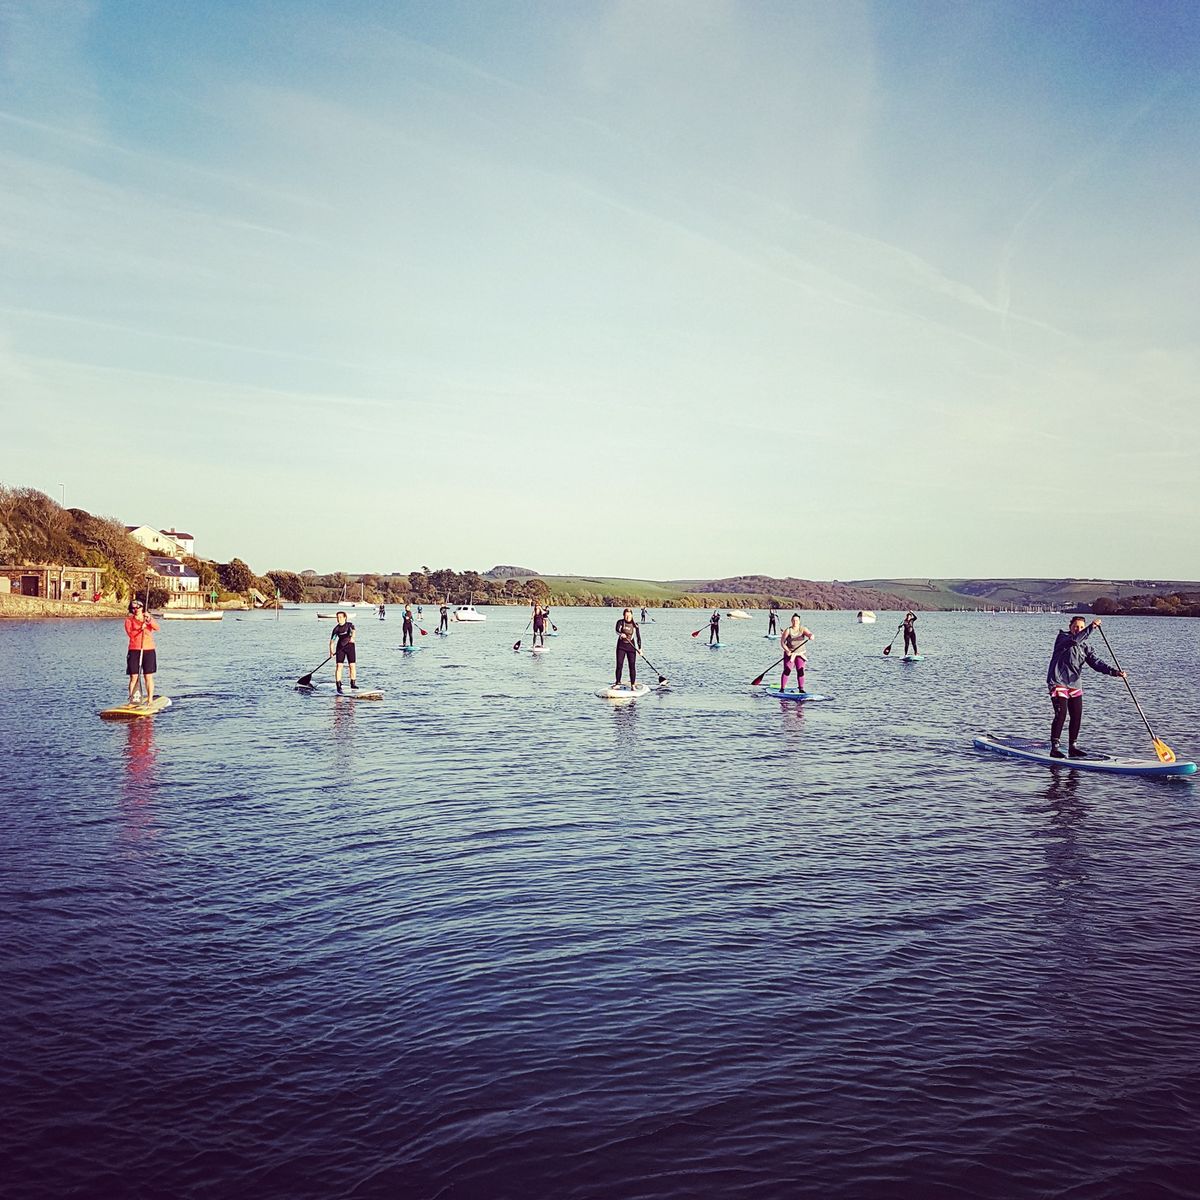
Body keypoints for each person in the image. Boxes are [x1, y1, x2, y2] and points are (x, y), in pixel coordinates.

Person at [1046, 616, 1125, 758]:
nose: (1078, 629)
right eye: (1076, 626)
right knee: (1062, 714)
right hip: (1058, 680)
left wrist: (1114, 672)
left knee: (1077, 716)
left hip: (1074, 683)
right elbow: (1075, 640)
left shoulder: (1085, 647)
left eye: (1081, 627)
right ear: (1070, 627)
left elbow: (1096, 663)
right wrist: (1091, 627)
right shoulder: (1063, 638)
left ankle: (1072, 747)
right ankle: (1055, 748)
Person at [124, 599, 159, 704]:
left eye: (137, 608)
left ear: (142, 608)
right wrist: (140, 628)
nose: (135, 610)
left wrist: (149, 621)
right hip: (134, 649)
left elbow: (157, 628)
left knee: (148, 676)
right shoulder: (128, 620)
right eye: (133, 608)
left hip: (148, 649)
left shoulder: (147, 617)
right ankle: (132, 699)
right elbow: (131, 634)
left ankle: (150, 700)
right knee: (133, 676)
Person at [779, 613, 814, 693]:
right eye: (794, 620)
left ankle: (801, 689)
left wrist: (811, 636)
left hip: (800, 654)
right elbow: (782, 642)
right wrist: (787, 650)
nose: (795, 622)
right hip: (790, 654)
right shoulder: (788, 630)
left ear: (799, 621)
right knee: (787, 670)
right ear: (791, 621)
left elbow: (809, 634)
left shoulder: (802, 629)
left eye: (797, 620)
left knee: (800, 671)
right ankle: (782, 689)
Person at [329, 610, 358, 692]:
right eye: (337, 617)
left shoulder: (349, 625)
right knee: (339, 666)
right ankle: (338, 684)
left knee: (352, 666)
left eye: (341, 617)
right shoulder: (336, 629)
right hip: (340, 648)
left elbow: (354, 631)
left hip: (350, 647)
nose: (339, 619)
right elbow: (332, 642)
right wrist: (331, 652)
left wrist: (352, 637)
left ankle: (353, 684)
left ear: (345, 618)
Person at [614, 608, 641, 688]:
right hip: (621, 646)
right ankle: (618, 683)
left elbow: (638, 637)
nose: (627, 617)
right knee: (619, 665)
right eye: (626, 616)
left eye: (629, 616)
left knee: (632, 666)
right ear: (623, 615)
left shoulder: (635, 625)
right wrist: (621, 633)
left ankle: (633, 684)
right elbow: (616, 630)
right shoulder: (620, 622)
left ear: (632, 615)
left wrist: (640, 649)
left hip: (631, 648)